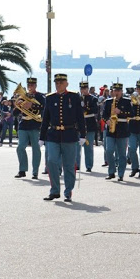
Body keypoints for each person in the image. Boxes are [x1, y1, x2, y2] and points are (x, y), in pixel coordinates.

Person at [40, 73, 86, 202]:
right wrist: (42, 136)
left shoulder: (74, 97)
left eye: (61, 82)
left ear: (66, 83)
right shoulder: (49, 98)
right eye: (56, 82)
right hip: (53, 135)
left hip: (69, 134)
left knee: (69, 165)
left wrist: (83, 135)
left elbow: (80, 117)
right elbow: (46, 118)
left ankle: (68, 191)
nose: (58, 84)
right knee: (52, 161)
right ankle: (55, 190)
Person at [14, 77, 45, 179]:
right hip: (23, 124)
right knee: (20, 147)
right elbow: (15, 113)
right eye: (29, 85)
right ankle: (22, 170)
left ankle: (35, 171)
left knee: (36, 148)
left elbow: (43, 107)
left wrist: (32, 104)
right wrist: (17, 105)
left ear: (35, 85)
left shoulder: (40, 96)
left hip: (35, 124)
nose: (30, 87)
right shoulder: (22, 96)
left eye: (32, 85)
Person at [102, 83, 132, 181]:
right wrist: (107, 120)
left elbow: (131, 114)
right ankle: (111, 171)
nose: (117, 92)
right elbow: (103, 115)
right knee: (109, 151)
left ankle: (121, 173)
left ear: (121, 91)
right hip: (111, 130)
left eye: (118, 91)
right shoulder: (108, 102)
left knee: (122, 153)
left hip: (122, 129)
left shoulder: (127, 101)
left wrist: (121, 112)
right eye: (115, 91)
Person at [77, 80, 99, 172]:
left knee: (88, 147)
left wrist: (85, 107)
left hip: (89, 123)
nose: (83, 90)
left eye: (85, 88)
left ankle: (89, 165)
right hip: (78, 125)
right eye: (82, 88)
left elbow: (95, 110)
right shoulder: (77, 98)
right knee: (76, 146)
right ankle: (76, 164)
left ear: (88, 89)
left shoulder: (93, 99)